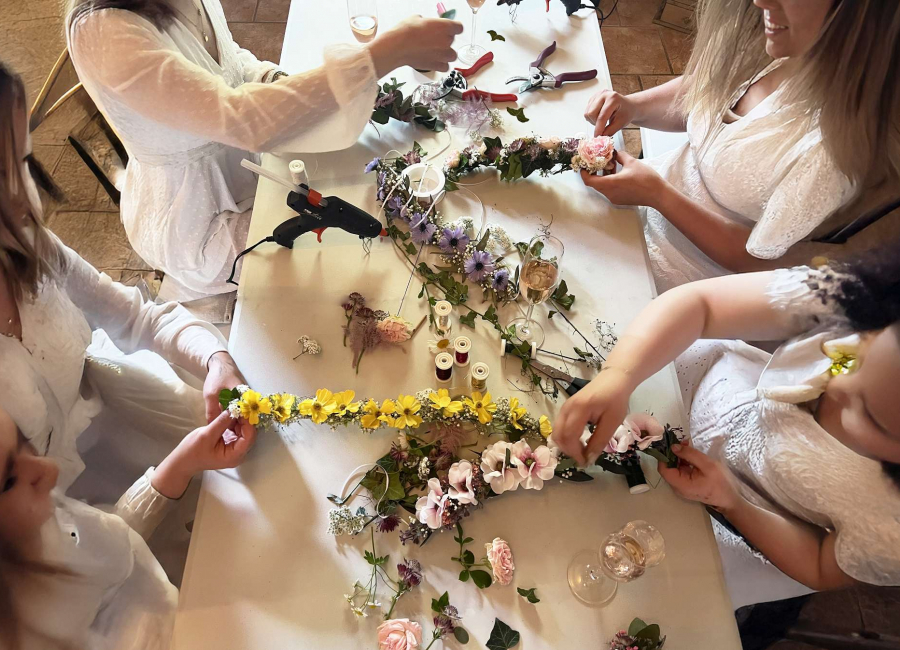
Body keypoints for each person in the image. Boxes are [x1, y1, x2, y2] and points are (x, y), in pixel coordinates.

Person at [0, 61, 250, 580]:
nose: (30, 194)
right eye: (5, 173)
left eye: (26, 160)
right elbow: (54, 571)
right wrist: (173, 475)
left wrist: (215, 358)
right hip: (69, 553)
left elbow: (135, 315)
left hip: (122, 429)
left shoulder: (27, 247)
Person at [551, 247, 900, 608]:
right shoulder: (864, 299)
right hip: (696, 380)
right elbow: (702, 305)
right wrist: (620, 377)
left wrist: (731, 502)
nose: (836, 386)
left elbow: (821, 565)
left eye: (870, 415)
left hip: (740, 527)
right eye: (853, 361)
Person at [65, 0, 464, 295]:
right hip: (203, 215)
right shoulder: (104, 32)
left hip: (258, 161)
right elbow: (239, 119)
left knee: (367, 206)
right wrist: (380, 56)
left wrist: (279, 80)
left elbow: (229, 64)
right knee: (343, 270)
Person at [581, 0, 900, 293]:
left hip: (682, 281)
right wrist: (633, 107)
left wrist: (658, 195)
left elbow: (757, 261)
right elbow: (703, 94)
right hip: (640, 207)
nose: (760, 1)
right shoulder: (766, 37)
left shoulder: (832, 152)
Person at [0, 404, 255, 650]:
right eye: (9, 481)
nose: (51, 470)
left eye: (24, 442)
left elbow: (112, 546)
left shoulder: (38, 513)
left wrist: (182, 463)